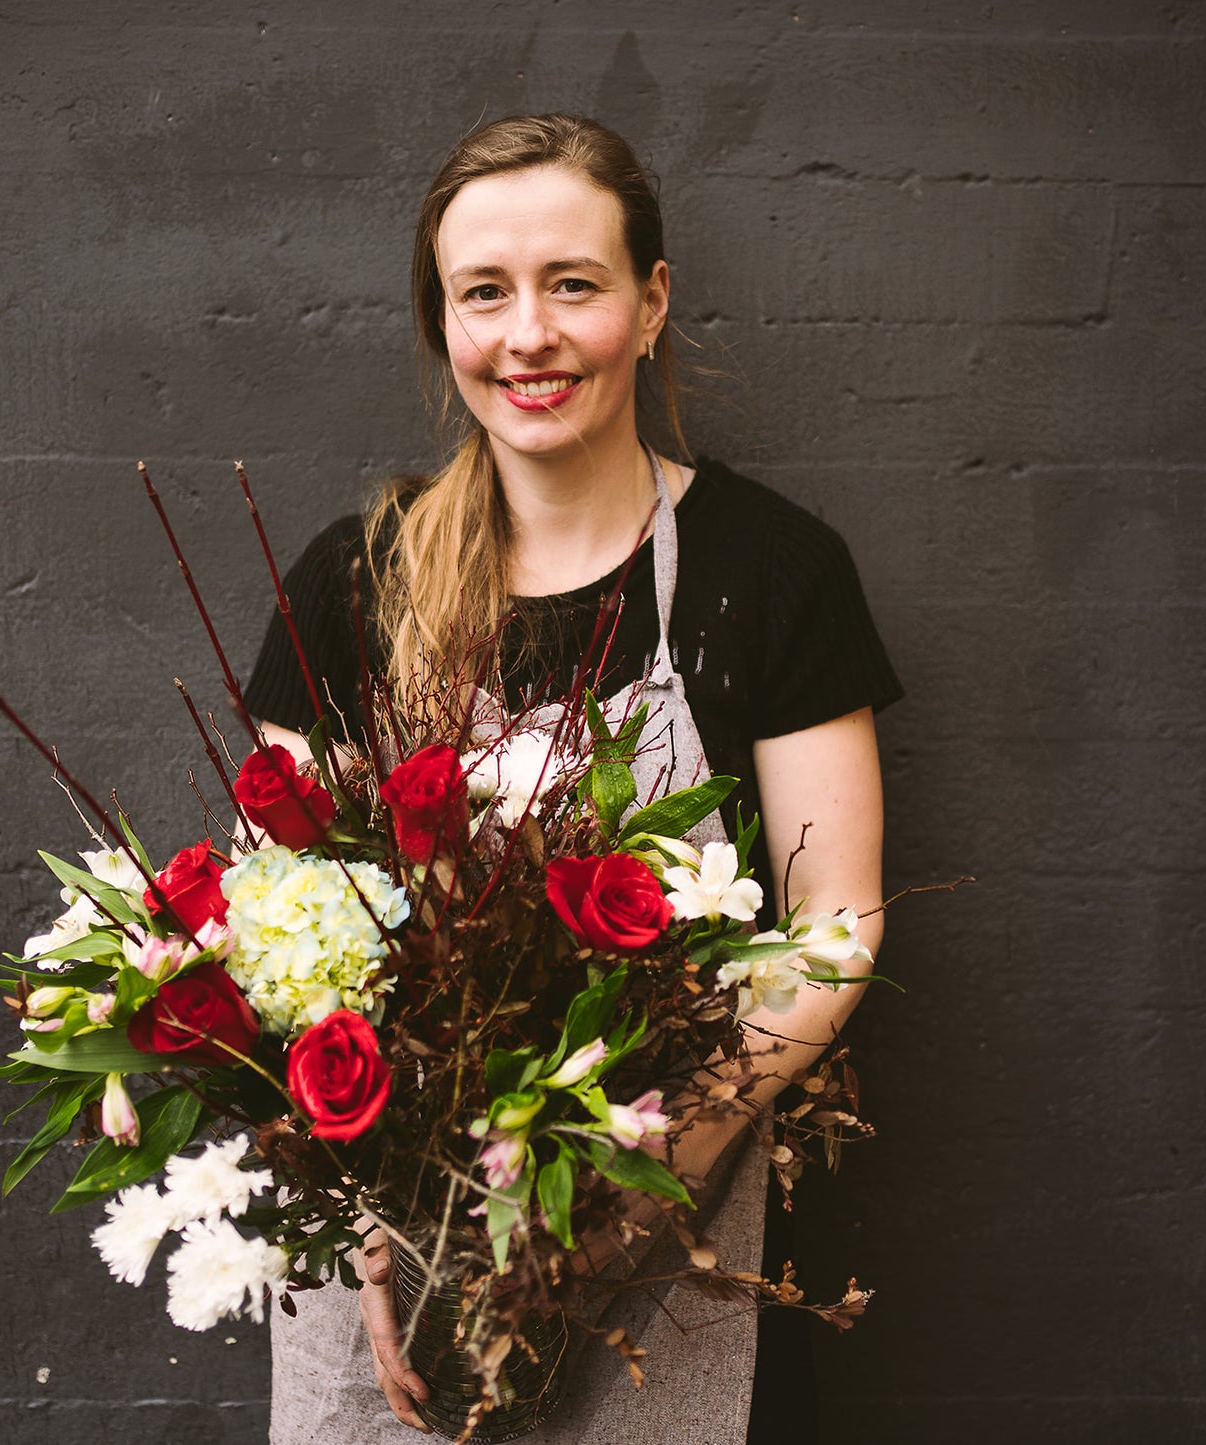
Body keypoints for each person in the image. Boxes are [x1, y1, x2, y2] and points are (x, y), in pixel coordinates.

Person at [244, 113, 902, 1445]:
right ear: (442, 322)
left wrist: (648, 1173)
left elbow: (834, 922)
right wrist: (378, 1220)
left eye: (573, 284)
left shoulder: (771, 572)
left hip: (675, 1237)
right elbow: (280, 939)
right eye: (484, 293)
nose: (528, 335)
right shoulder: (354, 580)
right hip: (399, 1251)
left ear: (650, 304)